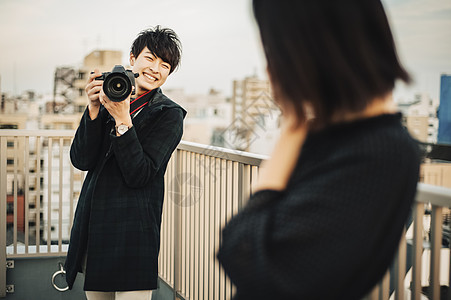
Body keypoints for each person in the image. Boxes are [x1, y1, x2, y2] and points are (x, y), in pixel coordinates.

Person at [217, 1, 421, 299]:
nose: (271, 66)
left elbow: (240, 252)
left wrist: (292, 126)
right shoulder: (337, 138)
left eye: (274, 49)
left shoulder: (379, 152)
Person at [65, 26, 185, 300]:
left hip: (135, 229)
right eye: (150, 58)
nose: (156, 69)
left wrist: (122, 120)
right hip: (98, 224)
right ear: (132, 59)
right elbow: (81, 160)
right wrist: (94, 109)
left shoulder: (169, 114)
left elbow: (140, 174)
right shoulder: (110, 99)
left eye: (165, 65)